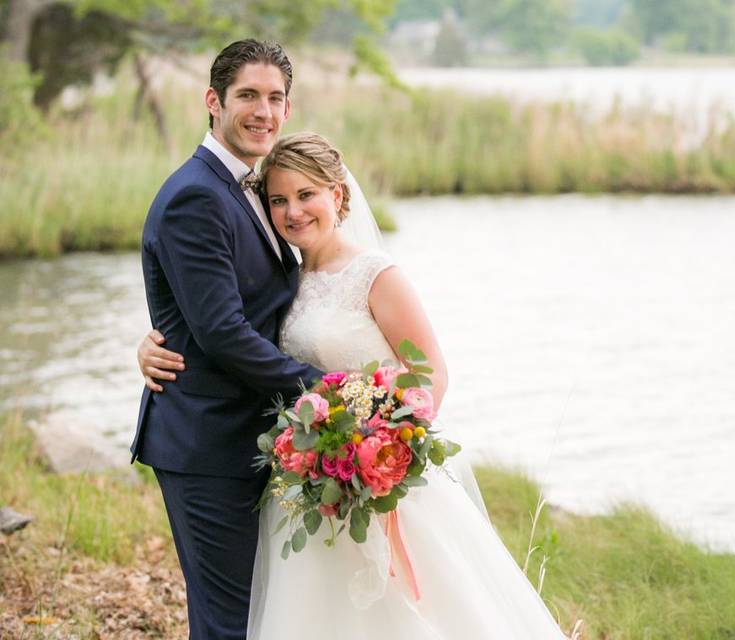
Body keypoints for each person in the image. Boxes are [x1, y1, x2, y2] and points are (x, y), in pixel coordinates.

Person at [139, 133, 570, 638]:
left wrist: (384, 449)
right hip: (307, 486)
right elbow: (226, 328)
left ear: (337, 196)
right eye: (278, 200)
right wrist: (153, 343)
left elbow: (429, 372)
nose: (293, 212)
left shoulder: (375, 274)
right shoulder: (283, 278)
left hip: (380, 484)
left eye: (306, 195)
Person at [131, 40, 323, 640]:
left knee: (262, 614)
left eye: (275, 98)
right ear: (214, 102)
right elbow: (221, 333)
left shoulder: (263, 188)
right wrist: (327, 389)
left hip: (254, 438)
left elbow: (245, 307)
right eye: (248, 95)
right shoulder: (196, 195)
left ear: (288, 110)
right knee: (228, 624)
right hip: (206, 444)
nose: (263, 110)